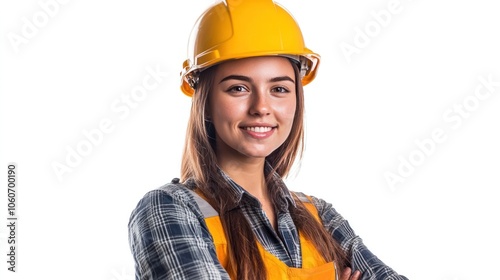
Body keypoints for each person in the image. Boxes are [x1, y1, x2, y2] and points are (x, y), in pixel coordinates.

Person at [128, 0, 409, 279]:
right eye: (238, 88)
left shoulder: (320, 216)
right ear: (206, 102)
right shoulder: (169, 208)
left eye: (279, 88)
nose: (261, 107)